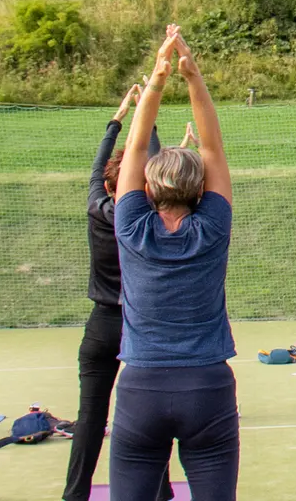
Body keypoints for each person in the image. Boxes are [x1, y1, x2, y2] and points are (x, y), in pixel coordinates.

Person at [111, 25, 240, 500]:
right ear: (201, 188)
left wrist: (158, 78)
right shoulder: (212, 227)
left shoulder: (130, 225)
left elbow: (137, 142)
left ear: (147, 188)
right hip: (207, 387)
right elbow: (212, 148)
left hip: (140, 388)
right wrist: (193, 76)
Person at [66, 85, 174, 501]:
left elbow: (98, 167)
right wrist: (150, 116)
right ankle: (161, 492)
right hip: (139, 327)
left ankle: (74, 494)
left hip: (100, 326)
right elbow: (158, 166)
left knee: (90, 416)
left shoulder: (97, 206)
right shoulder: (143, 217)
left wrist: (120, 117)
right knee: (152, 415)